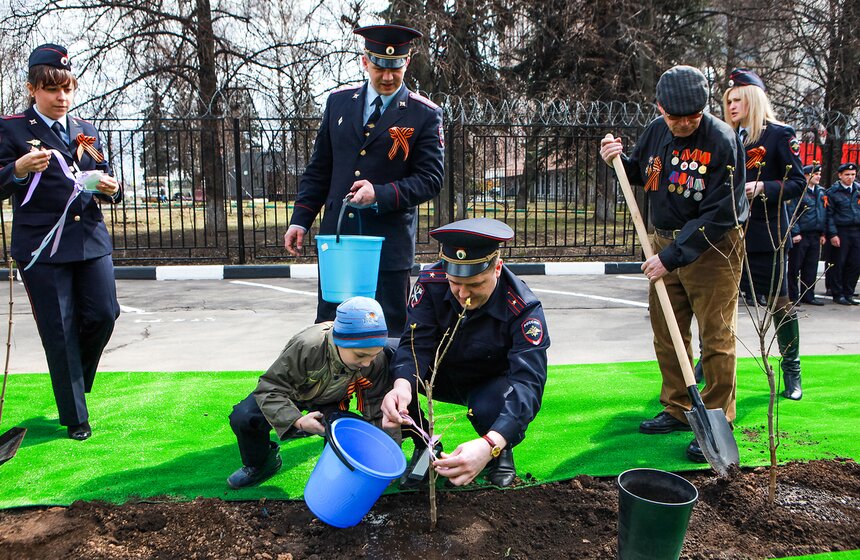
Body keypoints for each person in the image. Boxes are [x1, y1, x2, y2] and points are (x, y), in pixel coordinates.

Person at [599, 65, 749, 463]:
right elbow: (642, 173)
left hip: (712, 248)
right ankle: (678, 406)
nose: (683, 124)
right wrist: (616, 159)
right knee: (667, 331)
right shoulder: (656, 132)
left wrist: (671, 256)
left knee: (716, 335)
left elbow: (721, 212)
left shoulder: (722, 140)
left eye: (692, 117)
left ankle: (717, 416)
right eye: (675, 117)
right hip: (664, 242)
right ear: (660, 108)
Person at [283, 24, 445, 336]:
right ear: (365, 62)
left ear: (407, 62)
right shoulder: (338, 103)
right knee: (331, 331)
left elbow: (430, 179)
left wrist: (379, 194)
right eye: (380, 68)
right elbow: (320, 170)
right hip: (339, 242)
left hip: (388, 247)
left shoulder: (423, 114)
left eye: (395, 68)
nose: (388, 77)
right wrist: (300, 220)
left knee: (387, 333)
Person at [0, 44, 122, 440]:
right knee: (60, 329)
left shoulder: (85, 129)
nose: (62, 98)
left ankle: (74, 380)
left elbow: (104, 173)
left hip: (89, 240)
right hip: (42, 249)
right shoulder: (12, 129)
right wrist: (17, 170)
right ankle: (75, 416)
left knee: (105, 314)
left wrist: (112, 188)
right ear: (32, 89)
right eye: (52, 89)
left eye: (67, 89)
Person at [381, 218, 550, 488]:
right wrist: (402, 386)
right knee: (384, 357)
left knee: (496, 401)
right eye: (455, 283)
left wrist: (491, 443)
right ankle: (424, 442)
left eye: (475, 284)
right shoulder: (431, 283)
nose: (463, 293)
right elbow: (415, 343)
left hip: (488, 384)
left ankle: (500, 452)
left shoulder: (523, 308)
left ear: (497, 268)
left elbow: (528, 383)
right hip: (438, 374)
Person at [227, 296, 393, 489]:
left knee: (341, 429)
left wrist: (383, 459)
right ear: (338, 341)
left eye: (374, 355)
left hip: (333, 400)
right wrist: (296, 420)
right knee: (244, 416)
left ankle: (335, 476)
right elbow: (269, 387)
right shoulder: (307, 345)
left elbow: (377, 406)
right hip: (294, 394)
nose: (367, 363)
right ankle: (262, 463)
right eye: (360, 355)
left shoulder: (376, 359)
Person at [723, 68, 807, 401]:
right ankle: (708, 363)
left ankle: (792, 369)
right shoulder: (727, 136)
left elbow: (798, 182)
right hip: (728, 235)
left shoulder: (779, 135)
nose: (731, 106)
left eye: (737, 99)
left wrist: (764, 187)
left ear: (752, 99)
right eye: (728, 101)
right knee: (720, 303)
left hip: (766, 235)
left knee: (779, 304)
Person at [787, 164, 827, 306]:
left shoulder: (820, 192)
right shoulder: (799, 191)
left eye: (819, 174)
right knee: (795, 266)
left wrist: (823, 233)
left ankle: (808, 295)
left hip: (815, 234)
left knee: (811, 267)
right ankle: (792, 296)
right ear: (806, 176)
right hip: (801, 234)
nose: (818, 176)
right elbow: (792, 212)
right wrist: (795, 232)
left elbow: (823, 212)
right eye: (815, 174)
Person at [824, 162, 860, 306]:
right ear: (840, 175)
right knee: (839, 263)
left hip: (856, 231)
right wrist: (833, 234)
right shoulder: (833, 192)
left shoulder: (857, 190)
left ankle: (848, 293)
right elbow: (829, 215)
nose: (850, 177)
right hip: (841, 231)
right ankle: (837, 293)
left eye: (853, 175)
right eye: (847, 175)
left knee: (855, 263)